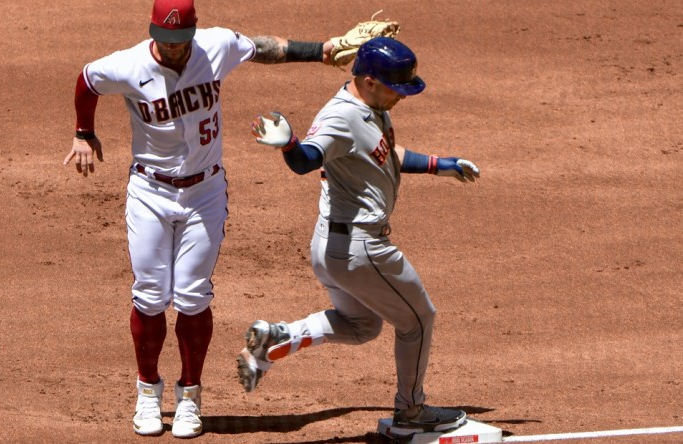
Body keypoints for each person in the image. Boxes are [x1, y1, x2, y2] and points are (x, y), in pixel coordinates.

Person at [61, 0, 353, 438]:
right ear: (153, 32)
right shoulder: (127, 65)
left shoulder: (214, 45)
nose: (174, 49)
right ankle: (147, 392)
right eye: (166, 40)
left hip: (205, 192)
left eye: (182, 42)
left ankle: (189, 397)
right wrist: (84, 132)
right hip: (150, 192)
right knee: (150, 294)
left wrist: (320, 50)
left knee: (193, 296)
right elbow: (87, 80)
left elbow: (262, 47)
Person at [239, 36, 481, 434]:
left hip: (332, 247)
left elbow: (385, 153)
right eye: (396, 89)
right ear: (369, 80)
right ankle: (412, 410)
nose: (401, 97)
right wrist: (290, 147)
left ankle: (277, 337)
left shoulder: (368, 108)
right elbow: (307, 160)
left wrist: (440, 164)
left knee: (362, 327)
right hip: (362, 248)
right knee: (419, 319)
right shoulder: (341, 118)